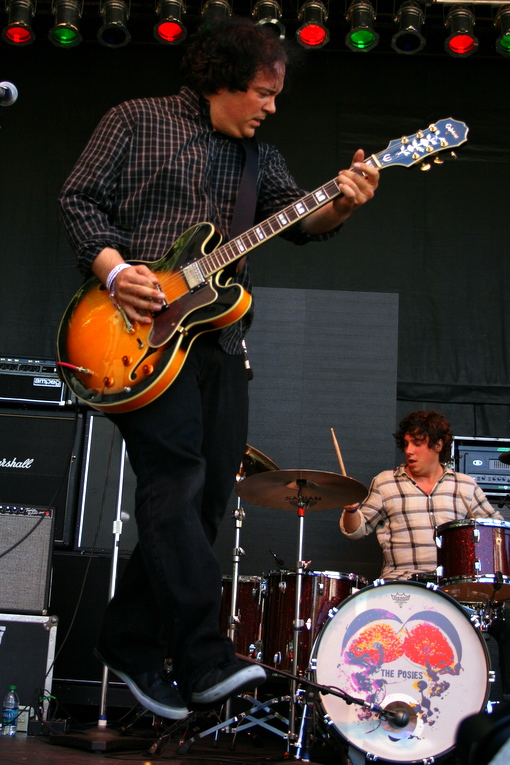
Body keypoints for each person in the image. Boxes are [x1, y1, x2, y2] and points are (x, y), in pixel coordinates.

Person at [58, 18, 380, 721]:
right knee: (174, 479)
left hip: (220, 345)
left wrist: (344, 201)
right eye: (264, 92)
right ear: (222, 81)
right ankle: (204, 658)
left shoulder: (259, 160)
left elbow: (303, 222)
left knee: (207, 502)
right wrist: (116, 273)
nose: (272, 106)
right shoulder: (135, 121)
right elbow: (78, 198)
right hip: (134, 335)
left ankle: (129, 637)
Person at [340, 409, 503, 580]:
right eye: (406, 443)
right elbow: (357, 531)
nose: (409, 450)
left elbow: (496, 530)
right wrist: (351, 510)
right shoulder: (385, 482)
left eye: (417, 444)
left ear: (438, 445)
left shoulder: (465, 485)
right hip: (400, 585)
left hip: (451, 586)